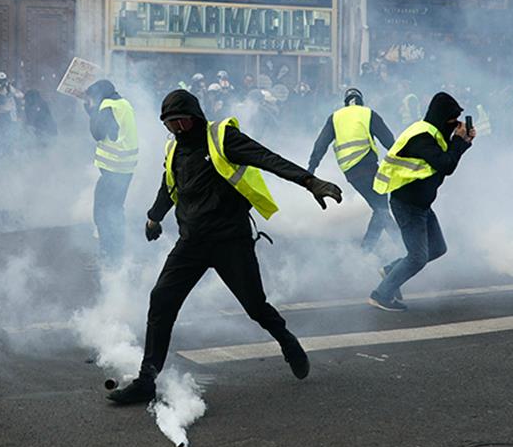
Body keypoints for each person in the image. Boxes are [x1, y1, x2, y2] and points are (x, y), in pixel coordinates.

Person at [107, 89, 343, 405]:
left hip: (231, 242)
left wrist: (310, 182)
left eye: (181, 122)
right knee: (161, 300)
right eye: (170, 124)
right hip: (191, 243)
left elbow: (267, 158)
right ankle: (146, 380)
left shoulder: (222, 137)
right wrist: (154, 217)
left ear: (195, 117)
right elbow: (169, 185)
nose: (177, 129)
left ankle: (287, 341)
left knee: (256, 307)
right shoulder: (174, 149)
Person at [368, 92, 475, 312]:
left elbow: (448, 158)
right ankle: (380, 295)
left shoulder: (434, 134)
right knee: (417, 258)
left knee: (437, 248)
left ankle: (390, 271)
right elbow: (446, 165)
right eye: (452, 120)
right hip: (407, 205)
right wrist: (457, 141)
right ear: (441, 117)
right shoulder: (421, 137)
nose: (456, 124)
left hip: (421, 205)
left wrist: (463, 143)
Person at [307, 88, 399, 252]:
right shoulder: (368, 114)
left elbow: (320, 145)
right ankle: (401, 245)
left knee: (380, 207)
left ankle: (368, 249)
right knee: (381, 208)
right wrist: (402, 161)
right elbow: (389, 140)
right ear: (361, 101)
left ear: (345, 103)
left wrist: (311, 168)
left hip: (351, 173)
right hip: (370, 169)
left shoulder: (335, 117)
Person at [85, 79, 136, 267]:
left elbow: (98, 133)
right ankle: (117, 254)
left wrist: (92, 111)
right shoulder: (124, 104)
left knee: (102, 213)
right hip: (126, 167)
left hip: (113, 168)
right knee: (115, 210)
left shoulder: (107, 105)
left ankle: (108, 255)